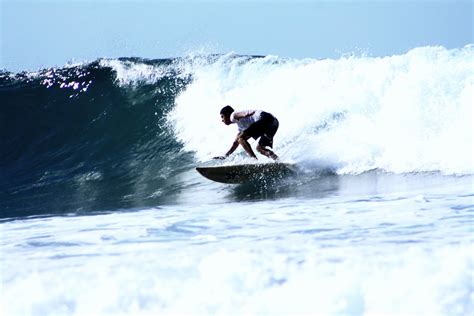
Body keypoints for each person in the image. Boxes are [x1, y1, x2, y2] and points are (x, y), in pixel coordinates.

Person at [215, 105, 279, 160]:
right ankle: (277, 160)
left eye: (222, 116)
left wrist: (246, 114)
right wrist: (225, 156)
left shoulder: (232, 116)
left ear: (228, 114)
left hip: (265, 118)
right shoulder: (241, 126)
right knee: (260, 149)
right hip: (274, 122)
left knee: (241, 138)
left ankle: (254, 160)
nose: (222, 120)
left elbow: (239, 114)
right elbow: (235, 143)